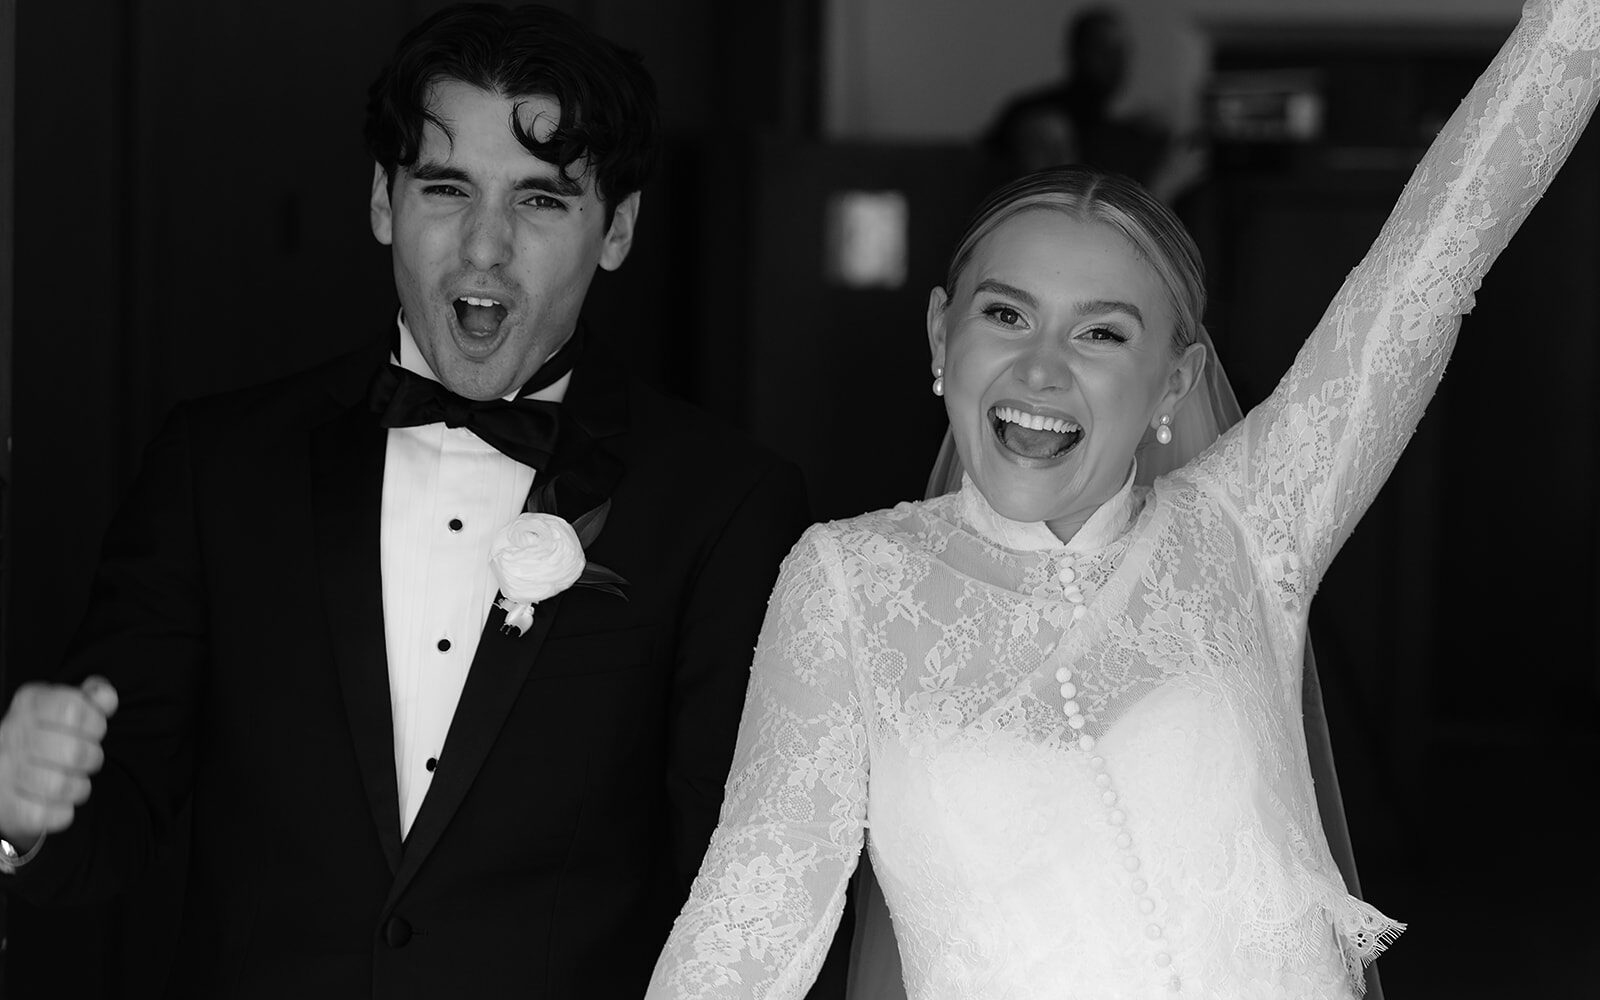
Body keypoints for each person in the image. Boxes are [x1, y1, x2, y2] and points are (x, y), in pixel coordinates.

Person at [648, 1, 1598, 997]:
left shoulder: (1248, 524)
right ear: (940, 337)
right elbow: (748, 919)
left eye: (1101, 333)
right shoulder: (843, 585)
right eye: (1005, 313)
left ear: (1174, 383)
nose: (1041, 368)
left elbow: (1430, 261)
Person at [0, 4, 813, 996]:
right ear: (384, 201)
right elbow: (105, 833)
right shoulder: (217, 466)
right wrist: (20, 809)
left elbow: (734, 893)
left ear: (619, 230)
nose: (485, 246)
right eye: (445, 188)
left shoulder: (724, 503)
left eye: (542, 201)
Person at [985, 4, 1206, 204]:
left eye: (1122, 54)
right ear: (1078, 52)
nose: (1117, 64)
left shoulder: (1117, 130)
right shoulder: (1038, 115)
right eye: (1105, 52)